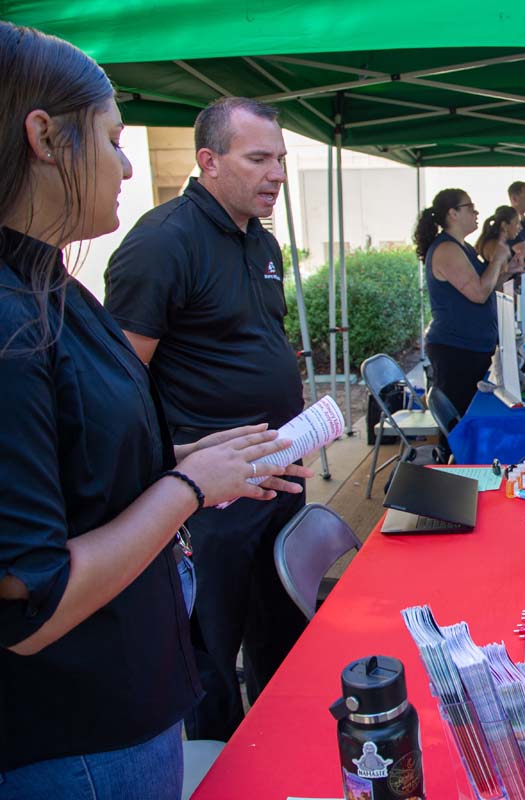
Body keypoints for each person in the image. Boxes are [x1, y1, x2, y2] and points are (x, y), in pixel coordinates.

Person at [0, 23, 307, 798]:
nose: (128, 164)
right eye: (111, 138)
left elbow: (83, 453)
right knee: (221, 650)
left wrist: (197, 469)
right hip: (84, 732)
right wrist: (189, 486)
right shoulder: (30, 309)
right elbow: (31, 595)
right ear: (43, 137)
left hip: (137, 674)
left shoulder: (49, 285)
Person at [105, 96, 312, 742]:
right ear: (208, 161)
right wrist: (181, 460)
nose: (276, 173)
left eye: (280, 158)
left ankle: (281, 755)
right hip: (213, 503)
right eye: (258, 158)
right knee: (209, 660)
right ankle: (219, 769)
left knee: (282, 634)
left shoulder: (262, 237)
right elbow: (118, 387)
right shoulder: (163, 243)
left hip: (278, 475)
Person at [415, 188, 519, 415]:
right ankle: (449, 452)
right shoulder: (446, 249)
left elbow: (487, 284)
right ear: (453, 213)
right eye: (470, 207)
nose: (476, 213)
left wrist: (508, 270)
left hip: (474, 348)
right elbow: (479, 293)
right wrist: (498, 258)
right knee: (461, 419)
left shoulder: (463, 247)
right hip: (457, 351)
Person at [475, 205, 525, 269]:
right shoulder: (496, 247)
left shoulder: (496, 244)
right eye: (517, 223)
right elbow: (499, 276)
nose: (520, 228)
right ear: (504, 225)